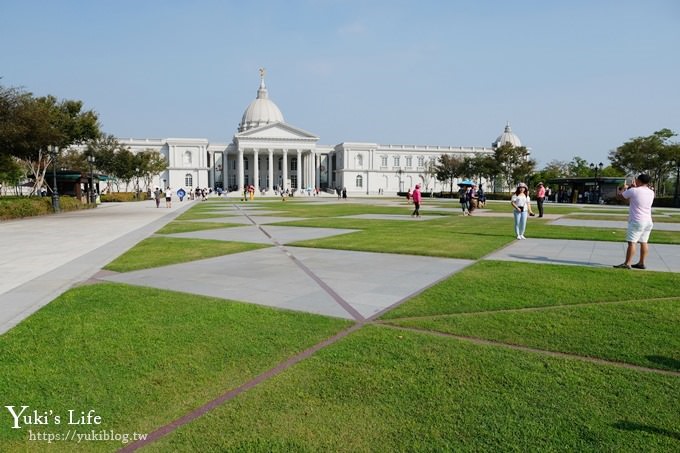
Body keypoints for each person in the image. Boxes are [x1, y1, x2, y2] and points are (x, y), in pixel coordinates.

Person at [614, 174, 655, 269]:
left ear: (639, 181)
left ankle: (627, 263)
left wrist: (624, 188)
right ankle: (641, 263)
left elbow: (619, 197)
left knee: (632, 242)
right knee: (644, 242)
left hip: (637, 220)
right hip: (648, 220)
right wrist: (632, 189)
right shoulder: (651, 192)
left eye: (636, 180)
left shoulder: (633, 191)